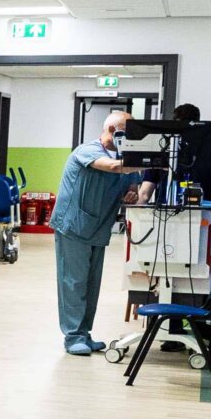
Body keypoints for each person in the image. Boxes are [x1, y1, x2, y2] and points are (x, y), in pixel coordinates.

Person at [50, 109, 152, 358]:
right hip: (73, 226)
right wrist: (151, 159)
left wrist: (131, 193)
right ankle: (72, 336)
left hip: (98, 228)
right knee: (73, 283)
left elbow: (132, 186)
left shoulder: (123, 159)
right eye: (127, 135)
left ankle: (84, 333)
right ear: (113, 131)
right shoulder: (87, 151)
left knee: (91, 284)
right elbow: (112, 167)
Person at [170, 102, 211, 203]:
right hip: (166, 211)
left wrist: (207, 211)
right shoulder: (167, 153)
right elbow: (145, 193)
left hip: (203, 213)